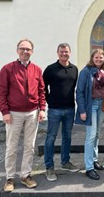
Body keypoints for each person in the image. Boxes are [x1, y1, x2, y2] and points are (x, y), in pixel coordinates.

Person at [0, 39, 46, 192]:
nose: (25, 51)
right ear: (17, 50)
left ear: (32, 51)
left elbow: (41, 91)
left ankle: (26, 175)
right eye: (22, 49)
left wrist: (42, 108)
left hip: (32, 112)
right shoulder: (7, 69)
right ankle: (10, 178)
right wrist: (5, 112)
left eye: (28, 49)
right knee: (11, 147)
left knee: (29, 147)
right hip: (13, 113)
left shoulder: (37, 69)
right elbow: (1, 92)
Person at [75, 49, 104, 180]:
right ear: (92, 58)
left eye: (101, 57)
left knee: (97, 133)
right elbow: (79, 92)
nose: (98, 59)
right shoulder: (86, 72)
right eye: (96, 57)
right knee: (91, 135)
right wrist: (82, 110)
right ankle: (89, 167)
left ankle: (94, 159)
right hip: (90, 106)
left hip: (102, 105)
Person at [43, 43, 79, 182]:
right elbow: (43, 87)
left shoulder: (74, 69)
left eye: (66, 52)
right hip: (54, 109)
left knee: (67, 137)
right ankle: (49, 167)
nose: (64, 54)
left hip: (70, 108)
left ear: (70, 52)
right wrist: (48, 101)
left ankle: (65, 162)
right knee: (51, 138)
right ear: (57, 53)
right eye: (62, 52)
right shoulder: (50, 69)